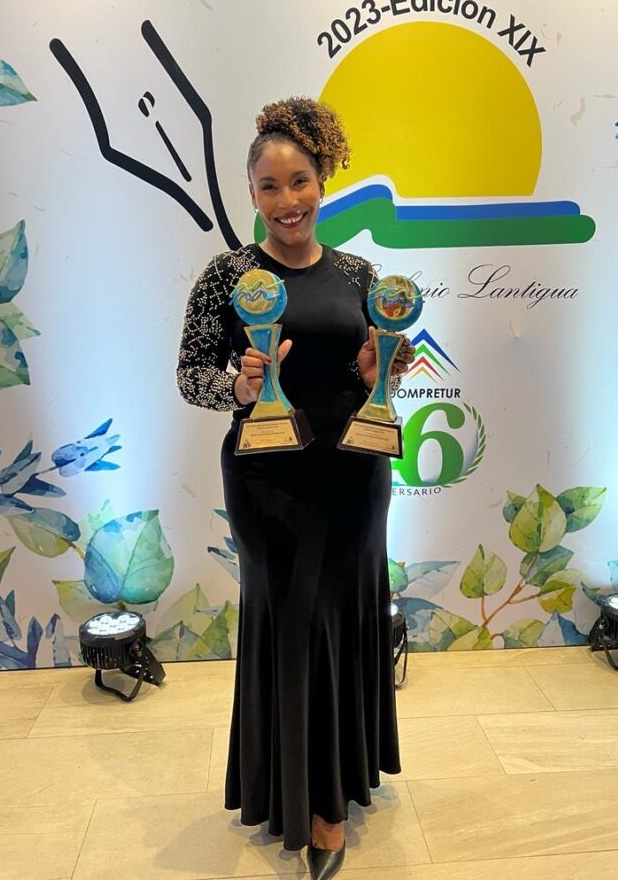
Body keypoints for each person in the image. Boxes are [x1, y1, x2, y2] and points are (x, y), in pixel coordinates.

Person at [177, 96, 412, 880]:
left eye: (300, 181)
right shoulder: (227, 276)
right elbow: (190, 374)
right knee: (294, 625)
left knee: (341, 622)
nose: (288, 201)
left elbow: (361, 371)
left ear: (323, 180)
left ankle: (336, 783)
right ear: (251, 192)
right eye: (270, 186)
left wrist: (376, 373)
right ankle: (310, 804)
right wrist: (239, 388)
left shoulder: (359, 274)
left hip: (354, 476)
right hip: (268, 482)